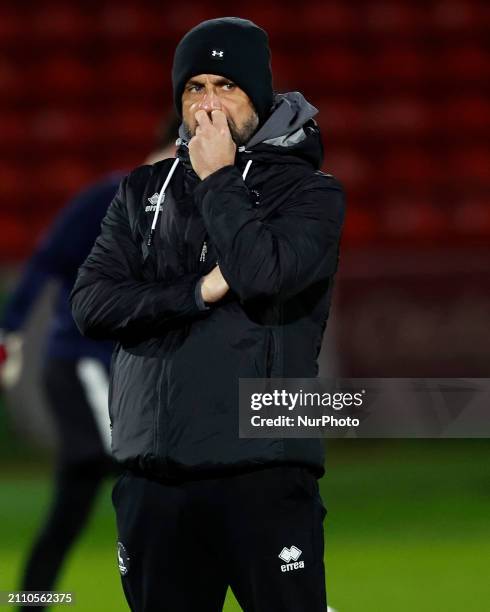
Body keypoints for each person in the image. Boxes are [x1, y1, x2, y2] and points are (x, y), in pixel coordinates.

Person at [70, 17, 345, 612]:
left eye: (226, 86)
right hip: (154, 480)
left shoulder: (311, 194)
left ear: (260, 97)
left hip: (263, 474)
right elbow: (91, 304)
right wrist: (198, 292)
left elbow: (262, 275)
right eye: (195, 88)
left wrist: (219, 176)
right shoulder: (138, 192)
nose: (209, 106)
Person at [0, 117, 179, 609]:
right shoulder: (112, 197)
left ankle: (27, 602)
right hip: (85, 366)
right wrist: (10, 329)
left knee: (70, 509)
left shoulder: (185, 213)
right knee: (147, 471)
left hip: (124, 372)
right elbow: (48, 260)